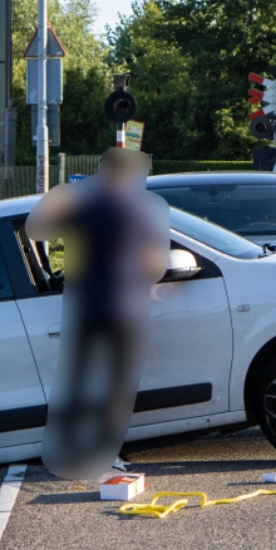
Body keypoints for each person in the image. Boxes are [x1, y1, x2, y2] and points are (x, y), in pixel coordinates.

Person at [25, 147, 170, 480]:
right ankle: (105, 455)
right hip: (126, 311)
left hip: (87, 309)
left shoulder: (84, 207)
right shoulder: (144, 210)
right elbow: (154, 266)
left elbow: (41, 230)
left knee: (76, 381)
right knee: (117, 386)